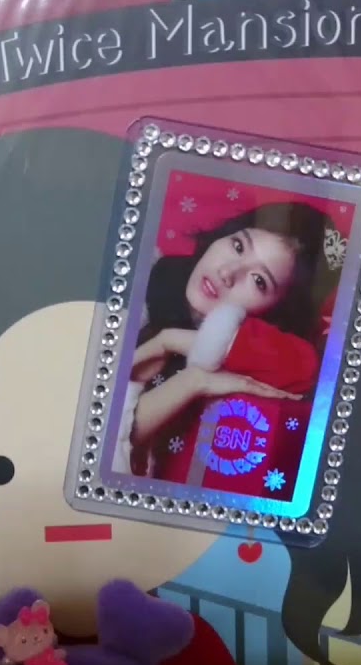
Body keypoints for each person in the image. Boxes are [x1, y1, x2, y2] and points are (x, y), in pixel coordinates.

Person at [113, 202, 340, 482]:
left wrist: (193, 375)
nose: (227, 273)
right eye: (238, 246)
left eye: (259, 281)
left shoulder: (243, 357)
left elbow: (308, 371)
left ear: (276, 311)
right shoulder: (133, 279)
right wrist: (163, 345)